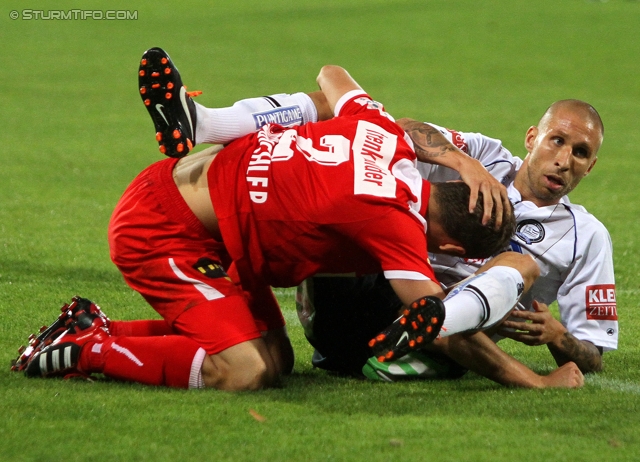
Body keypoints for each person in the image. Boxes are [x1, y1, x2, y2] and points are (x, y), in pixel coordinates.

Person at [15, 47, 564, 390]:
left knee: (276, 360)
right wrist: (533, 377)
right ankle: (84, 351)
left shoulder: (386, 135)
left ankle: (207, 121)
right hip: (161, 229)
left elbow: (332, 74)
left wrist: (453, 155)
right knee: (243, 371)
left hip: (205, 194)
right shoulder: (398, 226)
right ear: (444, 242)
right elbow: (439, 324)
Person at [171, 86, 615, 385]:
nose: (564, 160)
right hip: (359, 292)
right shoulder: (485, 156)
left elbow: (591, 356)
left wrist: (558, 337)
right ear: (532, 137)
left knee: (518, 264)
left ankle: (428, 323)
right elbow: (399, 130)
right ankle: (206, 123)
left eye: (580, 153)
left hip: (452, 339)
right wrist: (464, 162)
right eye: (557, 141)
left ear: (590, 166)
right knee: (334, 105)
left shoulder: (587, 237)